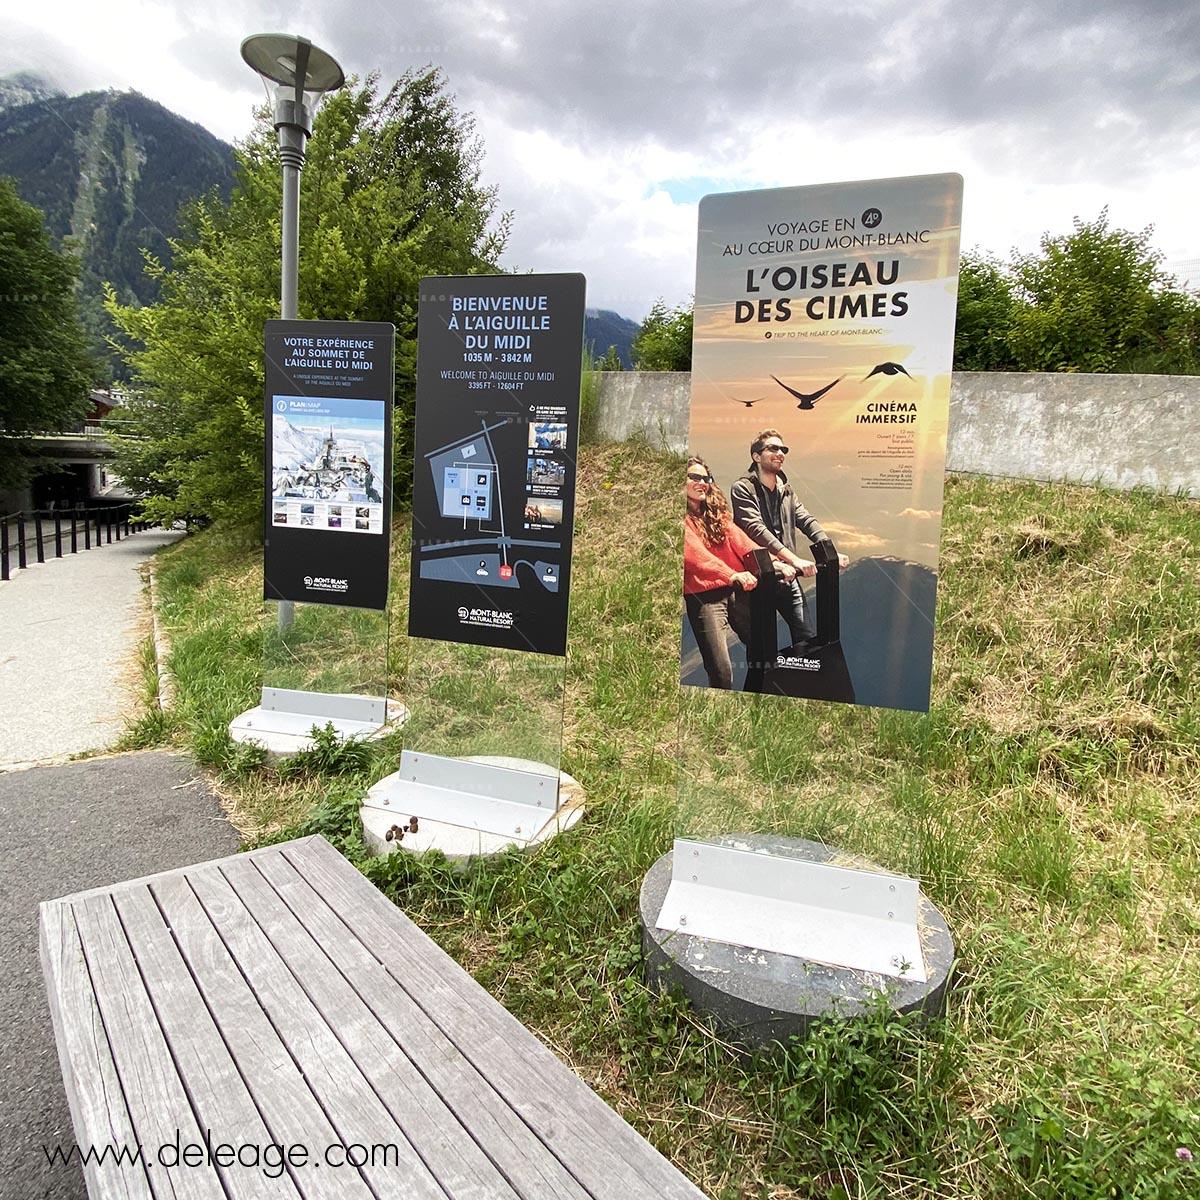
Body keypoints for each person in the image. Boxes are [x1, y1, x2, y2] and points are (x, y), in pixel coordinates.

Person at [729, 428, 848, 649]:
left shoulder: (787, 491)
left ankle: (803, 682)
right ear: (756, 456)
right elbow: (756, 530)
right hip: (756, 580)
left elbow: (806, 520)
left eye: (783, 449)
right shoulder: (742, 488)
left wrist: (829, 551)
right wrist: (793, 559)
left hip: (787, 578)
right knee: (761, 650)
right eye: (773, 448)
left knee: (806, 639)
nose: (780, 453)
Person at [682, 456, 762, 689]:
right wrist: (731, 574)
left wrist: (777, 562)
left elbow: (742, 542)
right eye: (694, 477)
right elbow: (693, 554)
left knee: (761, 648)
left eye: (706, 478)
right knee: (721, 670)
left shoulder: (716, 515)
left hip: (736, 590)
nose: (702, 483)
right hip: (705, 599)